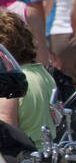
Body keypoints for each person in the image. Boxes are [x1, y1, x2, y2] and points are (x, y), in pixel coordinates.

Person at [0, 10, 57, 143]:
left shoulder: (11, 83)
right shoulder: (44, 74)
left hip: (23, 159)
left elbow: (6, 132)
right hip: (47, 154)